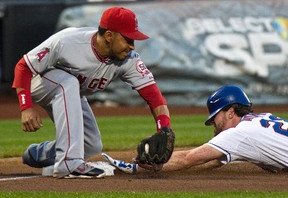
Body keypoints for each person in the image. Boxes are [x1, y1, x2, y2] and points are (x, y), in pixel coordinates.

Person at [12, 6, 171, 178]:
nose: (132, 46)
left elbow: (154, 96)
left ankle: (39, 154)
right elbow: (23, 67)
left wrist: (164, 129)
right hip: (37, 81)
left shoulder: (129, 60)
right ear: (109, 36)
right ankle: (69, 164)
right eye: (128, 39)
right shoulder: (67, 41)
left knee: (91, 144)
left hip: (69, 91)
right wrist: (26, 107)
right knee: (69, 83)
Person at [104, 85, 288, 174]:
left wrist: (137, 167)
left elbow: (188, 158)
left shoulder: (239, 134)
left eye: (215, 116)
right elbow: (214, 160)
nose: (213, 123)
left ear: (230, 112)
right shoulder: (263, 118)